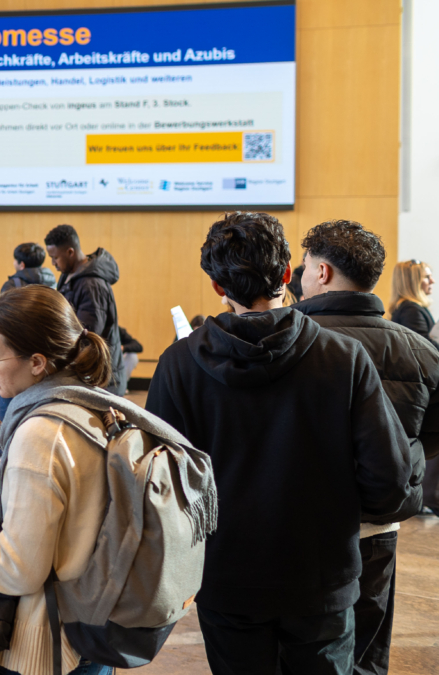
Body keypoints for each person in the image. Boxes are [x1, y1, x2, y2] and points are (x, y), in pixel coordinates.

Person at [145, 212, 416, 675]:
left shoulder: (177, 366)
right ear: (288, 274)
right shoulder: (342, 357)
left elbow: (159, 486)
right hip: (321, 578)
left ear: (216, 286)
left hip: (227, 580)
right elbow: (388, 480)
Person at [0, 285, 145, 675]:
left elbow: (19, 569)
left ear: (38, 362)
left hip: (50, 643)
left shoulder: (41, 434)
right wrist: (7, 475)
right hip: (94, 627)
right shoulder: (92, 403)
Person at [293, 220, 438, 675]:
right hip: (379, 526)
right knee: (366, 654)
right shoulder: (418, 349)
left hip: (299, 525)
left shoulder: (286, 343)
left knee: (301, 650)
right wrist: (406, 457)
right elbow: (430, 436)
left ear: (321, 272)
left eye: (303, 268)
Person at [44, 225, 125, 395]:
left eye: (55, 258)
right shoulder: (69, 274)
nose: (53, 264)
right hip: (87, 373)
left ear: (70, 252)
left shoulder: (92, 284)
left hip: (101, 378)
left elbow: (88, 335)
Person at [389, 259, 437, 348]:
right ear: (413, 282)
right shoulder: (411, 311)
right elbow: (424, 348)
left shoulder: (409, 308)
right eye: (427, 277)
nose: (432, 281)